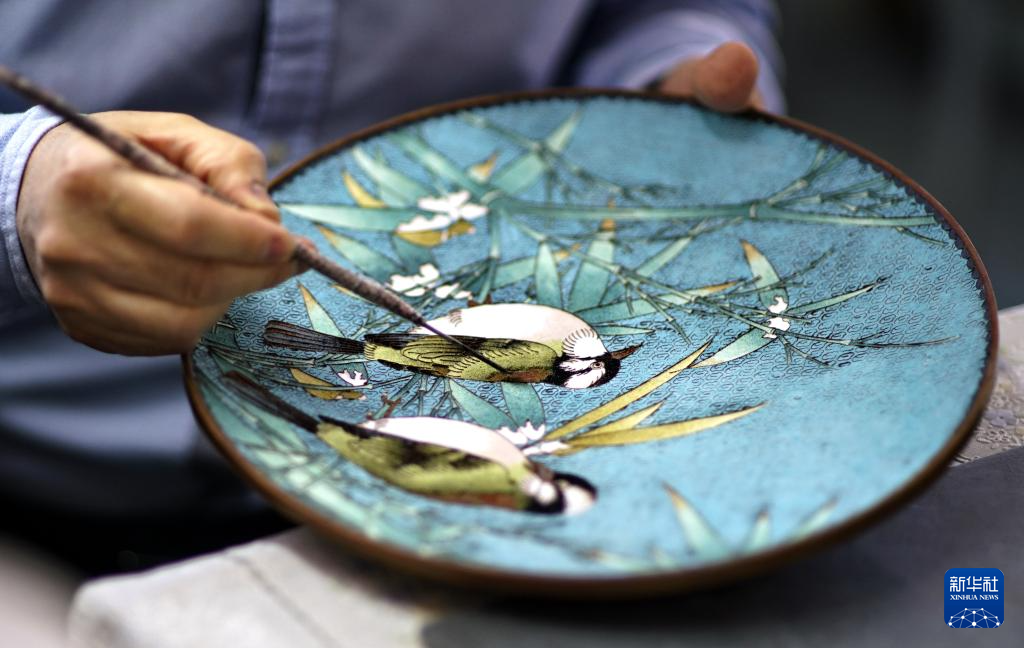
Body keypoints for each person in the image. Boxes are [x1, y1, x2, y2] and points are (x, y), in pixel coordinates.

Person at [0, 1, 782, 570]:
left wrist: (660, 94)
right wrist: (19, 188)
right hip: (35, 489)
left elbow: (657, 14)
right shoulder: (530, 372)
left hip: (415, 541)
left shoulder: (521, 409)